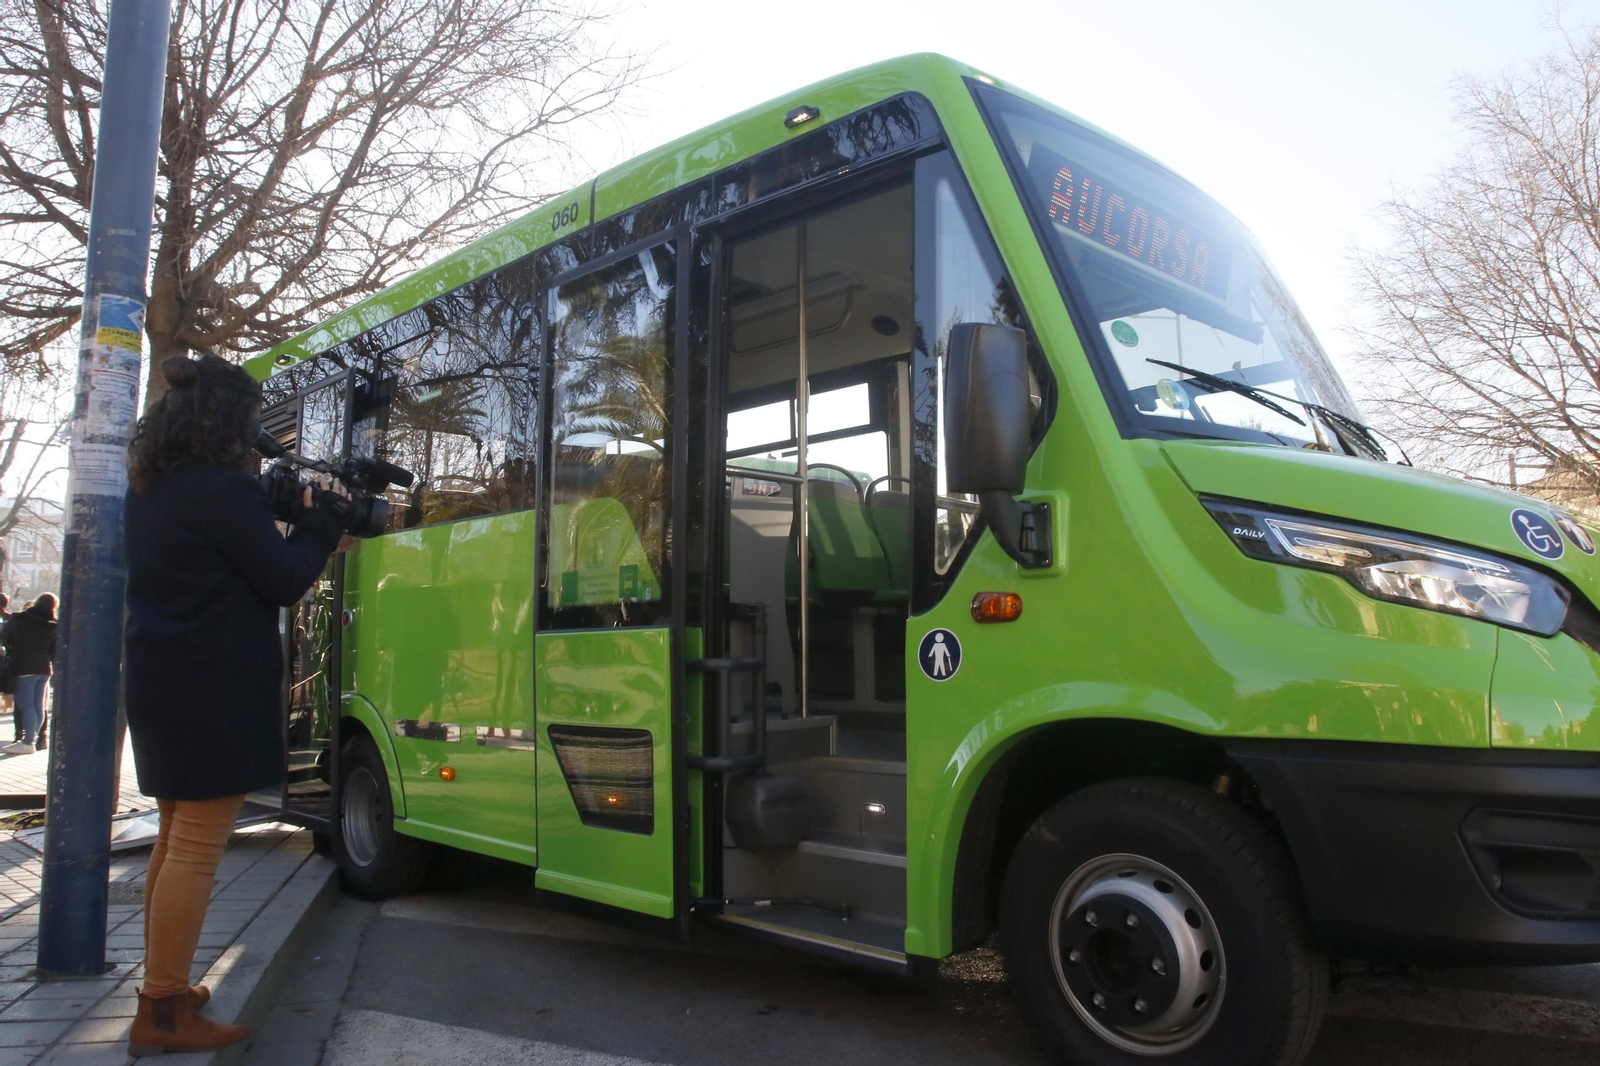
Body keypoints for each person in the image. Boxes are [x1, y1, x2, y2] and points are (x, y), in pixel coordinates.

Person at [123, 354, 346, 1056]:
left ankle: (164, 987)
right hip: (211, 687)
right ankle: (162, 1012)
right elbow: (280, 579)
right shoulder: (223, 492)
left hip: (161, 683)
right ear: (227, 424)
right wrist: (317, 532)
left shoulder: (153, 489)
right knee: (193, 844)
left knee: (172, 835)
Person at [2, 594, 56, 754]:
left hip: (23, 666)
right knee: (38, 705)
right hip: (44, 668)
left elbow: (4, 639)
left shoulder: (19, 619)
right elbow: (54, 649)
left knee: (25, 704)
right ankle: (33, 738)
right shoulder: (53, 624)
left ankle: (27, 742)